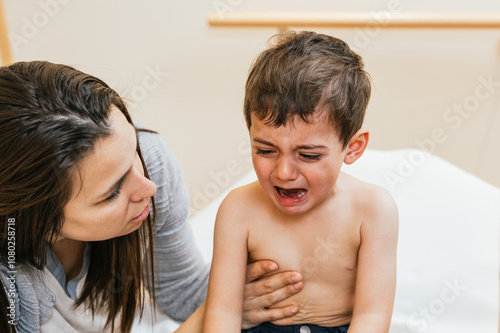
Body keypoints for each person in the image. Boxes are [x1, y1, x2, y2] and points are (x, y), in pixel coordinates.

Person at [0, 61, 305, 333]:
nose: (149, 188)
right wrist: (221, 307)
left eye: (133, 151)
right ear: (39, 221)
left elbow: (182, 291)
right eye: (112, 193)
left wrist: (241, 285)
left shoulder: (151, 164)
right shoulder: (11, 283)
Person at [203, 31, 399, 333]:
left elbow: (372, 318)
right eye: (265, 150)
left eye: (307, 155)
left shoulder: (372, 209)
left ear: (353, 148)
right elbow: (222, 314)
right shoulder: (238, 209)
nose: (283, 172)